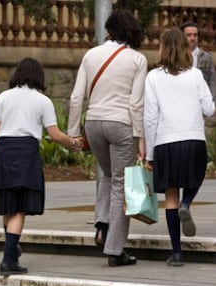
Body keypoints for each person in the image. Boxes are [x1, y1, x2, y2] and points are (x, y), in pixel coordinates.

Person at [0, 57, 83, 277]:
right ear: (38, 76)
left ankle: (12, 248)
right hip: (26, 152)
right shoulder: (42, 101)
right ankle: (8, 260)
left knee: (9, 205)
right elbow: (55, 135)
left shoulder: (3, 97)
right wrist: (74, 143)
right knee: (19, 209)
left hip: (3, 152)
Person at [67, 9, 147, 267]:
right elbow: (136, 104)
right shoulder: (137, 59)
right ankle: (115, 249)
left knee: (108, 175)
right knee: (121, 185)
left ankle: (101, 226)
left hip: (93, 124)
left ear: (109, 31)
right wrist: (141, 138)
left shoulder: (91, 54)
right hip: (120, 124)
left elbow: (76, 97)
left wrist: (73, 134)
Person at [144, 28, 215, 266]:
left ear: (163, 48)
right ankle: (188, 203)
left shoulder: (153, 77)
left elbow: (150, 118)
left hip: (165, 141)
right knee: (195, 179)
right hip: (193, 138)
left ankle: (176, 253)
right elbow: (210, 109)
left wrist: (150, 153)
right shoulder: (195, 75)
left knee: (170, 194)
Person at [180, 21, 216, 104]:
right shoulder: (176, 56)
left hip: (201, 101)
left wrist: (213, 102)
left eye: (195, 35)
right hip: (182, 101)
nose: (192, 38)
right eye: (189, 35)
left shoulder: (206, 57)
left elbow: (212, 80)